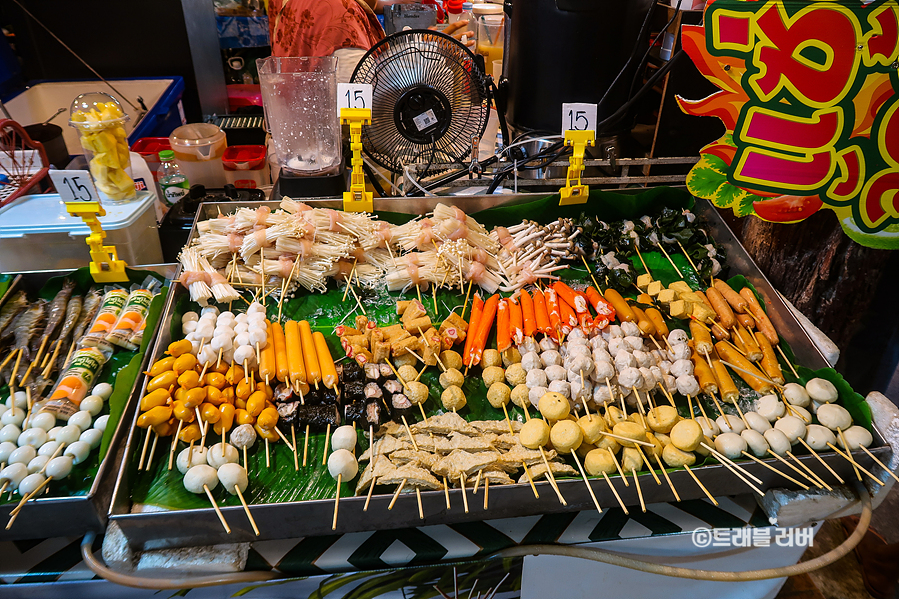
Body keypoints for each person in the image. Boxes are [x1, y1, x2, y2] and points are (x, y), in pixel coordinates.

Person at [268, 0, 472, 83]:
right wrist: (430, 55)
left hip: (292, 142)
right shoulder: (341, 14)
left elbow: (375, 3)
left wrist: (422, 45)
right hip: (331, 159)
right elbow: (363, 108)